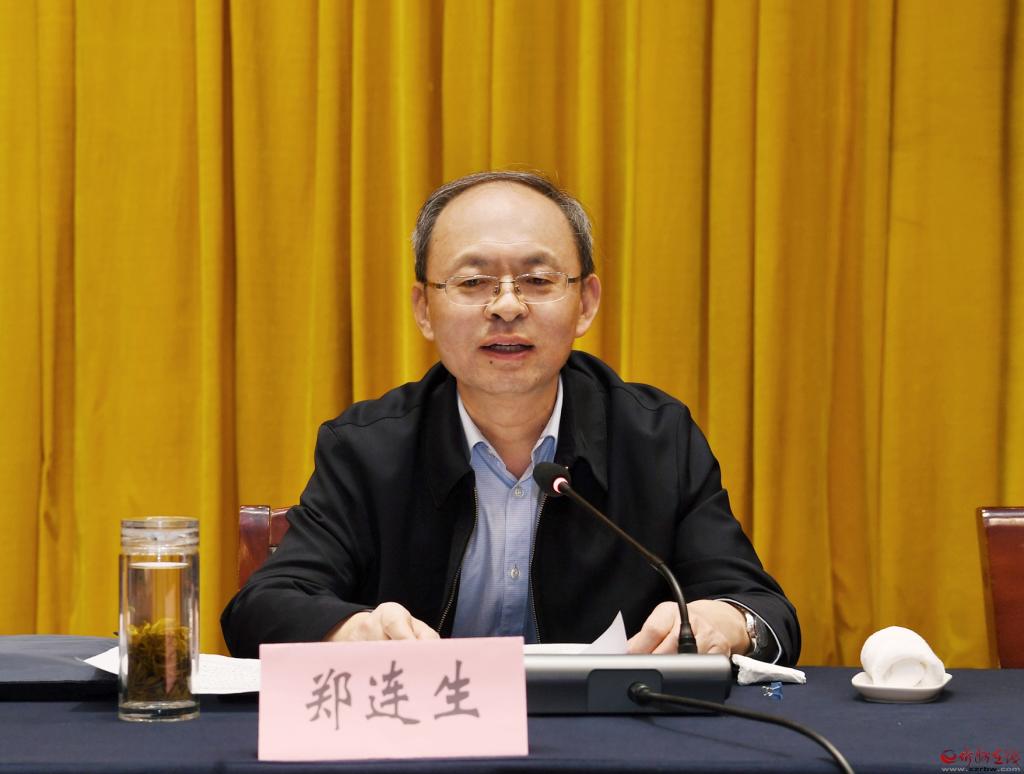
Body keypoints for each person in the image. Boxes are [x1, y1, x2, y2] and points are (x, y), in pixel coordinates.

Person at [221, 171, 801, 665]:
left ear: (585, 303)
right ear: (424, 309)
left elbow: (765, 611)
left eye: (538, 280)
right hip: (424, 738)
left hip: (608, 736)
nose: (505, 306)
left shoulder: (655, 439)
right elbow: (261, 607)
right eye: (473, 282)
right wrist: (354, 632)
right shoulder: (370, 448)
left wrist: (727, 622)